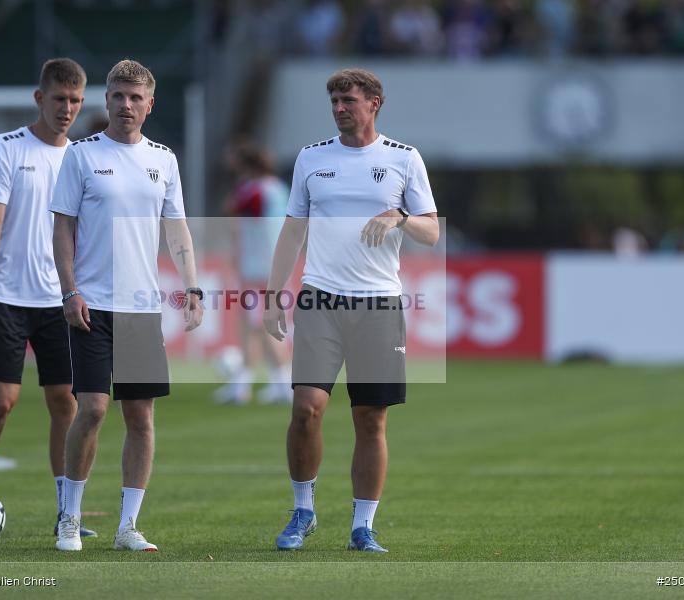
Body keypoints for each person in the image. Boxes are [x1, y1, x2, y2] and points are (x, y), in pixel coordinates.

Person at [263, 68, 440, 552]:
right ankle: (303, 511)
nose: (340, 108)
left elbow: (431, 231)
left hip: (379, 304)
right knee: (306, 408)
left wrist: (401, 217)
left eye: (349, 100)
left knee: (370, 418)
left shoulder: (404, 158)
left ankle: (363, 527)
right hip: (320, 299)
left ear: (374, 103)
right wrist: (274, 293)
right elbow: (292, 231)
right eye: (334, 102)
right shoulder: (311, 158)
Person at [51, 58, 204, 552]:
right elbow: (62, 228)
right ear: (107, 100)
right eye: (118, 96)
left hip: (141, 309)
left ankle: (127, 526)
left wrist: (192, 286)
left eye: (135, 97)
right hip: (92, 305)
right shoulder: (80, 155)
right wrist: (69, 290)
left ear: (149, 104)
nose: (125, 105)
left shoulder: (164, 160)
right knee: (93, 409)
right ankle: (70, 517)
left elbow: (176, 229)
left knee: (141, 417)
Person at [0, 58, 96, 538]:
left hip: (61, 300)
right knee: (1, 402)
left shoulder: (81, 158)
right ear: (40, 98)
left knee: (66, 404)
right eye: (59, 99)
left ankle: (66, 510)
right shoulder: (6, 147)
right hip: (6, 297)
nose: (67, 109)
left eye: (75, 101)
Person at [214, 141, 292, 405]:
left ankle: (276, 384)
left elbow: (231, 214)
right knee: (255, 325)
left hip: (257, 267)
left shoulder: (253, 190)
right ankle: (250, 383)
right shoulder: (279, 188)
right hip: (274, 265)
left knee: (256, 325)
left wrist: (233, 257)